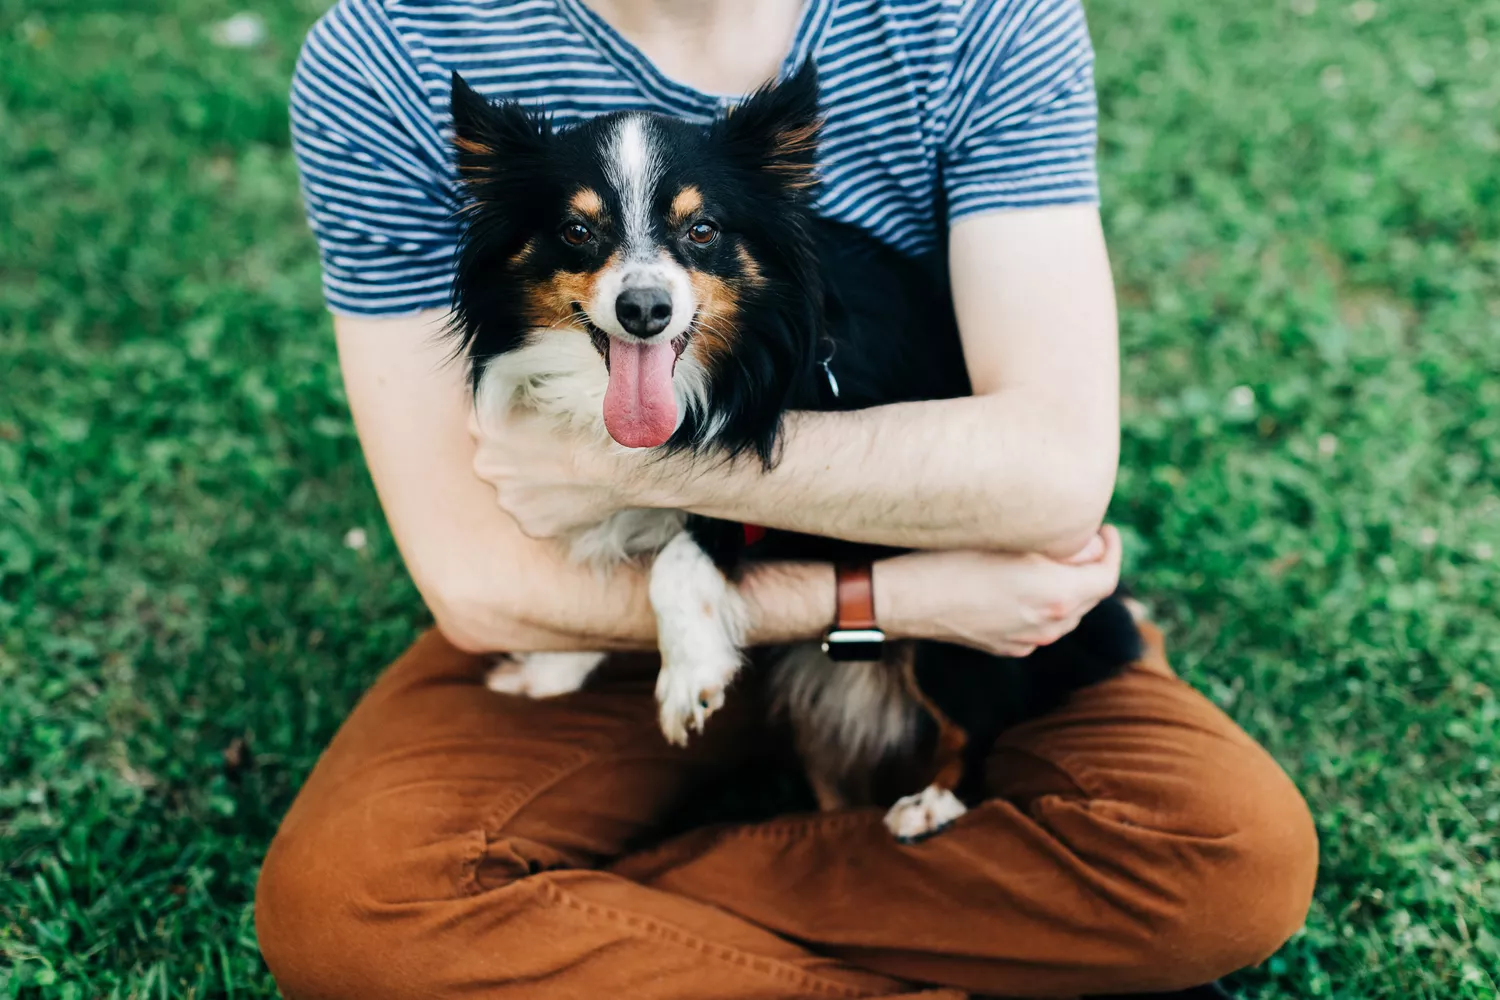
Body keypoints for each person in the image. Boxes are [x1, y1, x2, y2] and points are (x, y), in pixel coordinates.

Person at [255, 0, 1319, 996]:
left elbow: (1052, 474)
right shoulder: (389, 53)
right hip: (601, 604)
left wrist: (626, 466)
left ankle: (576, 922)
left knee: (1224, 855)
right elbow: (483, 587)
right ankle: (911, 924)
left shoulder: (978, 16)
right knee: (348, 911)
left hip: (945, 593)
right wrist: (862, 600)